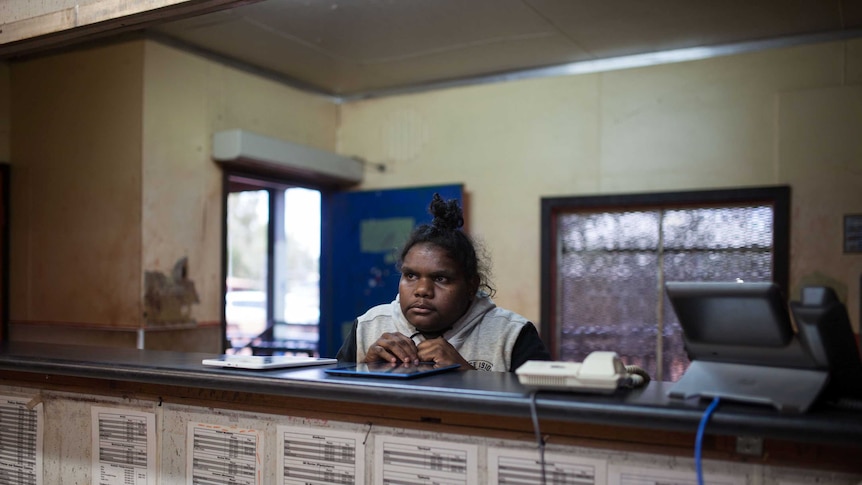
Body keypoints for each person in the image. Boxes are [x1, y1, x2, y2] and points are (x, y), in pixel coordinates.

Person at [336, 193, 551, 372]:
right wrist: (363, 369)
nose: (422, 290)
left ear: (471, 286)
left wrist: (467, 375)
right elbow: (331, 404)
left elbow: (545, 412)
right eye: (411, 276)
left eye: (440, 279)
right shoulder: (368, 326)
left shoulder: (511, 335)